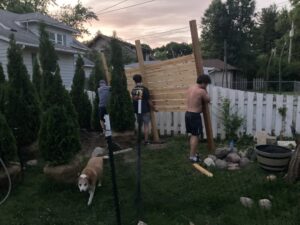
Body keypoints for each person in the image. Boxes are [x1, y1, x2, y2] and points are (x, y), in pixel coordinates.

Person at [185, 74, 211, 162]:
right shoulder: (201, 91)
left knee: (192, 135)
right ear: (203, 83)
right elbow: (208, 99)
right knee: (195, 136)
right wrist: (205, 91)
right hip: (194, 115)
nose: (206, 86)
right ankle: (192, 157)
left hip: (188, 114)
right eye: (206, 84)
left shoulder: (190, 88)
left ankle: (193, 153)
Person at [131, 74, 157, 145]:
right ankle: (146, 141)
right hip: (145, 110)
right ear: (141, 80)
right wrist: (154, 108)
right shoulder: (145, 89)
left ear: (134, 81)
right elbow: (149, 100)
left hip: (137, 111)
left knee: (140, 125)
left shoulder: (133, 90)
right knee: (146, 125)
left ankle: (139, 140)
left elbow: (134, 99)